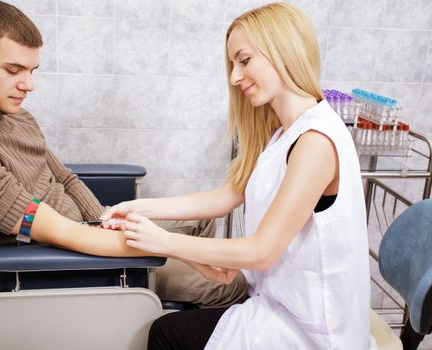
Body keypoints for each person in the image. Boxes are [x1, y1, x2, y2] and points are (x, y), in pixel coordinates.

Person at [0, 0, 246, 308]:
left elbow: (64, 178)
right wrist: (177, 252)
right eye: (14, 70)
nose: (28, 85)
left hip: (90, 230)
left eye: (32, 70)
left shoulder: (12, 115)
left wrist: (106, 221)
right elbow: (62, 232)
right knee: (237, 283)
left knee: (204, 221)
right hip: (76, 263)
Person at [102, 2, 375, 349]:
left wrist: (164, 242)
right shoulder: (283, 134)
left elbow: (262, 251)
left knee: (166, 334)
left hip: (311, 330)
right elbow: (225, 197)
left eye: (244, 60)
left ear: (283, 50)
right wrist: (140, 208)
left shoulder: (316, 141)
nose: (234, 76)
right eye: (233, 64)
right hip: (280, 304)